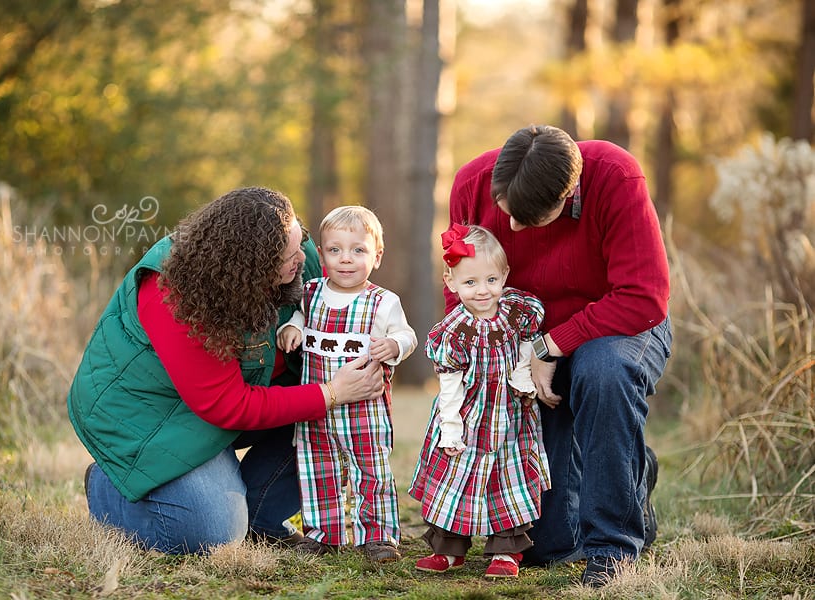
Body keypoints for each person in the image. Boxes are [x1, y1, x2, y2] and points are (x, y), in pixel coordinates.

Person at [67, 187, 385, 555]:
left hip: (226, 401)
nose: (303, 258)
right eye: (289, 255)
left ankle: (263, 520)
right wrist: (329, 393)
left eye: (300, 242)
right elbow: (226, 404)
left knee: (333, 416)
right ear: (251, 267)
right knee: (211, 532)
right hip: (147, 416)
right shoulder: (175, 294)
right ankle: (108, 486)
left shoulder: (299, 255)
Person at [446, 124, 672, 587]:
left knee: (604, 374)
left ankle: (612, 549)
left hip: (618, 327)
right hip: (523, 340)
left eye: (526, 220)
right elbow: (461, 293)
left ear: (569, 195)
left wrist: (552, 345)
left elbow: (643, 297)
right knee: (547, 545)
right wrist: (475, 365)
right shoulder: (471, 183)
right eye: (506, 212)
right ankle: (631, 469)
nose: (510, 229)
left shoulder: (615, 176)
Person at [277, 205, 417, 562]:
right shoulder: (310, 293)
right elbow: (295, 317)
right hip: (317, 409)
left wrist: (395, 345)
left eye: (358, 250)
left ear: (377, 256)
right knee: (316, 469)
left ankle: (378, 536)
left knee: (371, 473)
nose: (346, 259)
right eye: (335, 250)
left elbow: (408, 335)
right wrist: (291, 328)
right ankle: (324, 533)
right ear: (321, 254)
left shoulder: (383, 302)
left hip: (364, 412)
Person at [409, 224, 550, 579]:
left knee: (508, 479)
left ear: (503, 275)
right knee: (457, 481)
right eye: (470, 283)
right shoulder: (454, 329)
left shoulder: (517, 311)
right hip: (468, 417)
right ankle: (449, 548)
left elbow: (527, 342)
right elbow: (450, 383)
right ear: (452, 282)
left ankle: (506, 552)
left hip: (511, 418)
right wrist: (451, 427)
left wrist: (521, 377)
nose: (482, 291)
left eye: (490, 280)